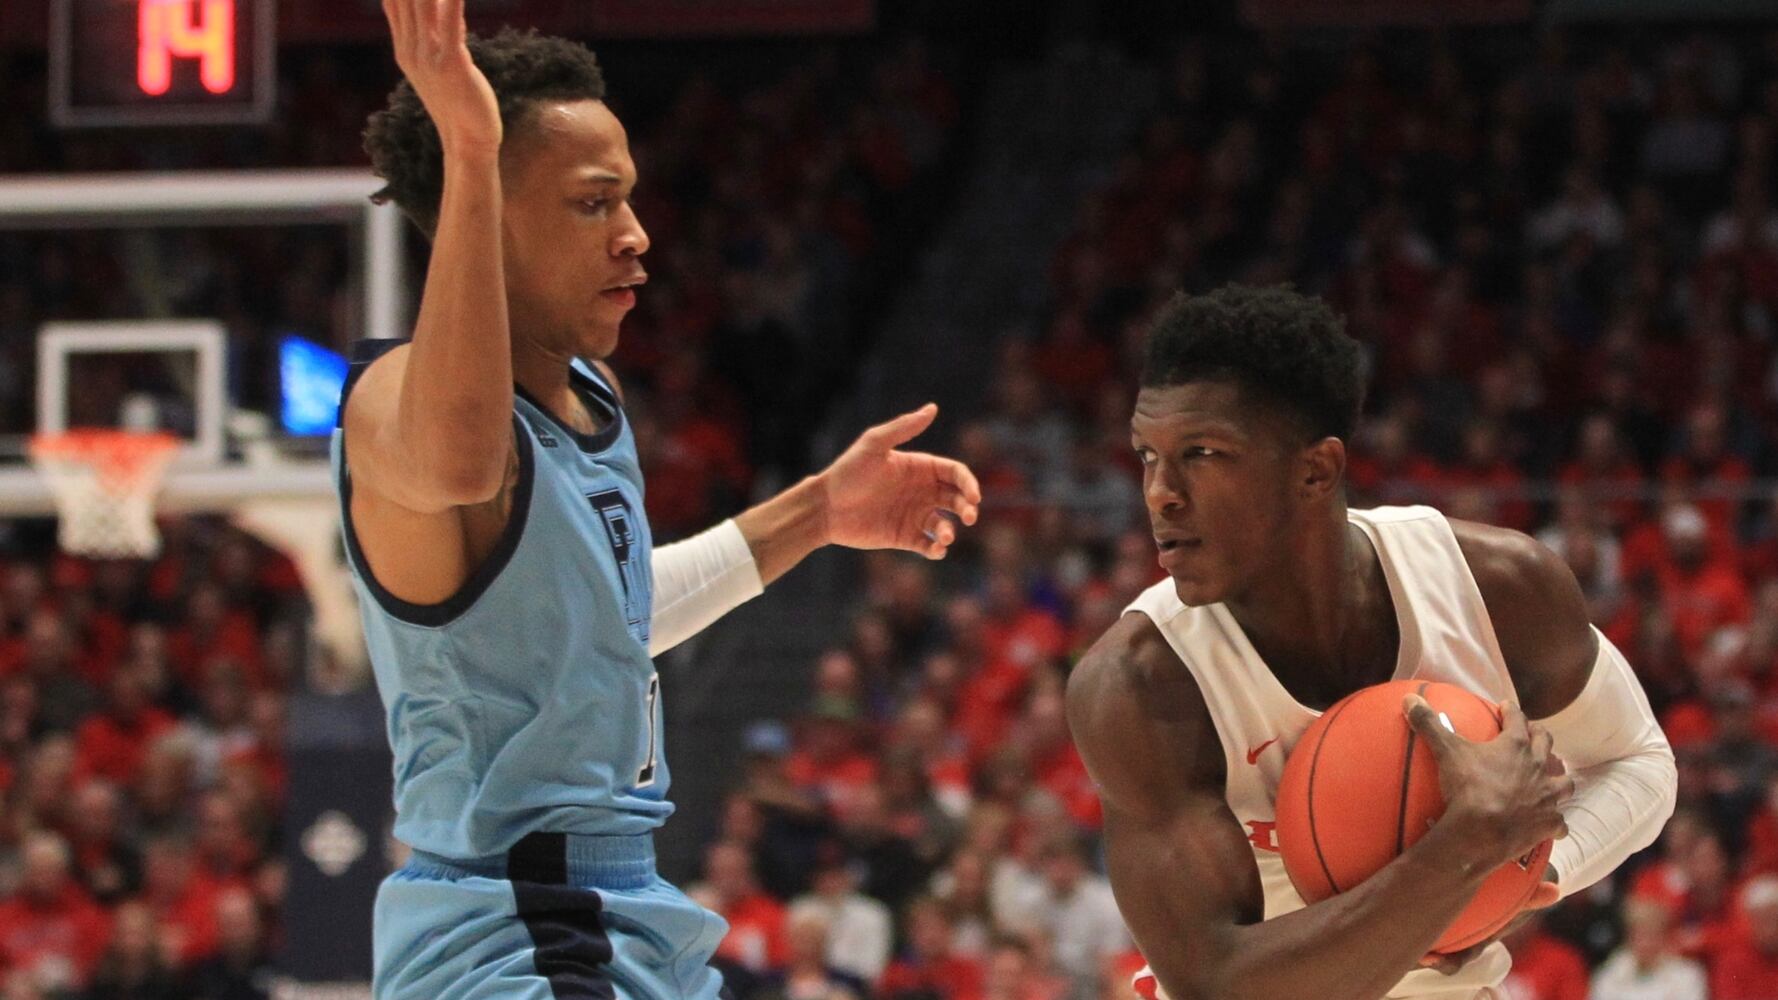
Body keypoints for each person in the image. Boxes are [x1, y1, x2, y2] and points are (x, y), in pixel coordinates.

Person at [346, 4, 980, 998]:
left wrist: (815, 512)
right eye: (594, 204)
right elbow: (464, 462)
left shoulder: (590, 397)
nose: (636, 235)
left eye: (628, 200)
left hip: (614, 907)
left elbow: (613, 621)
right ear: (491, 213)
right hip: (511, 928)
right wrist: (469, 150)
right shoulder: (388, 399)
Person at [1065, 286, 1677, 1000]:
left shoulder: (1498, 587)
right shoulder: (1139, 684)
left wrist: (1531, 874)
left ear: (1315, 470)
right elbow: (1214, 983)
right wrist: (1463, 851)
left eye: (1201, 454)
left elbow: (1638, 762)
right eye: (1148, 456)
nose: (1160, 493)